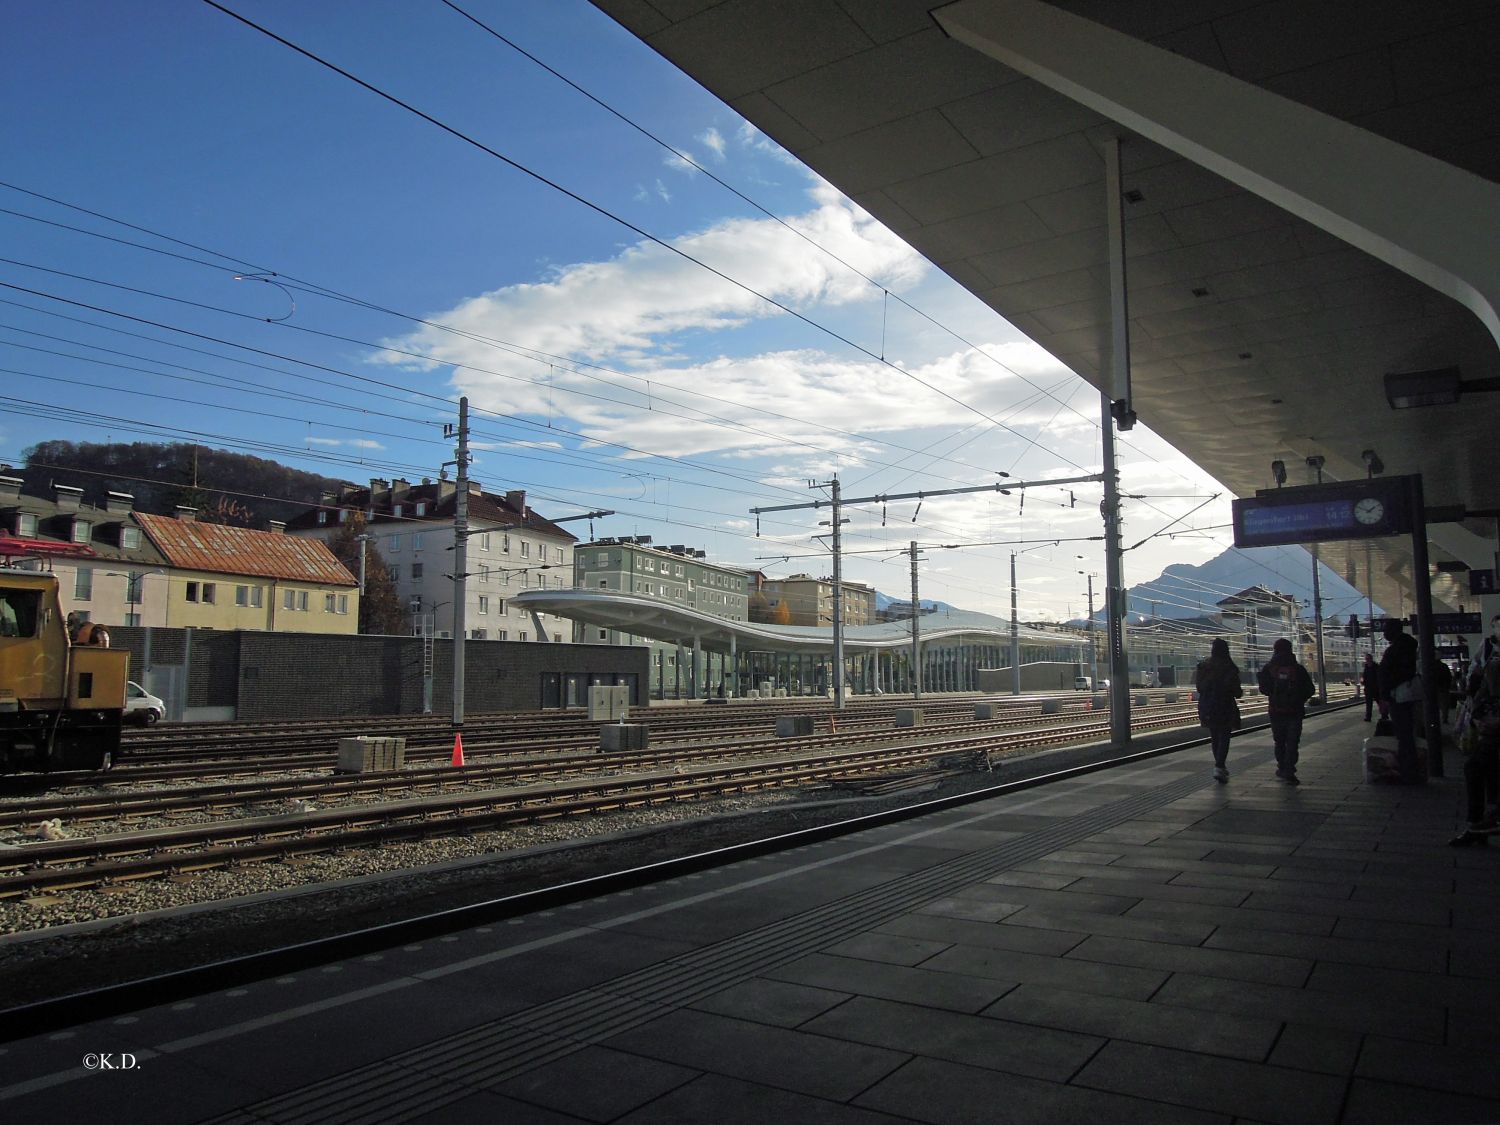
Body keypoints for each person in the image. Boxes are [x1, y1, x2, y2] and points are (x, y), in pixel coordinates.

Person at [1452, 654, 1500, 846]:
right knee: (1475, 767)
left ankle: (1484, 822)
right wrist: (1479, 719)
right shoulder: (1492, 661)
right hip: (1491, 733)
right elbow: (1477, 694)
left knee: (1478, 768)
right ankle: (1479, 824)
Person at [1257, 638, 1316, 785]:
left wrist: (1275, 693)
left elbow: (1263, 689)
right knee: (1292, 742)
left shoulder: (1269, 668)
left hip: (1276, 710)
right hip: (1295, 711)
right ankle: (1290, 769)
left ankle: (1282, 766)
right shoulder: (1298, 669)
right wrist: (1299, 698)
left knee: (1280, 741)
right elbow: (1310, 689)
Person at [1378, 618, 1423, 784]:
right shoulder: (1406, 646)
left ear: (1394, 630)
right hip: (1401, 694)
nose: (1384, 633)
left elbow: (1393, 672)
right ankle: (1408, 768)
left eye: (1386, 629)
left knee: (1404, 734)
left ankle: (1407, 770)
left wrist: (1385, 692)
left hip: (1399, 695)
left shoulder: (1399, 649)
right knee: (1406, 734)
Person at [1194, 638, 1243, 783]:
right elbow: (1237, 691)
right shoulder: (1230, 667)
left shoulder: (1203, 666)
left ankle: (1219, 766)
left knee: (1215, 736)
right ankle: (1219, 765)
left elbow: (1199, 687)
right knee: (1224, 736)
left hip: (1207, 706)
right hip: (1225, 705)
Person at [1360, 653, 1380, 722]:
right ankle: (1368, 717)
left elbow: (1378, 677)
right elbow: (1364, 676)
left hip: (1376, 688)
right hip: (1368, 688)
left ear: (1371, 659)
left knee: (1379, 702)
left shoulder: (1376, 666)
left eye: (1368, 659)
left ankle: (1384, 715)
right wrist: (1363, 681)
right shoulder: (1366, 667)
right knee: (1369, 703)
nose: (1367, 660)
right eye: (1366, 659)